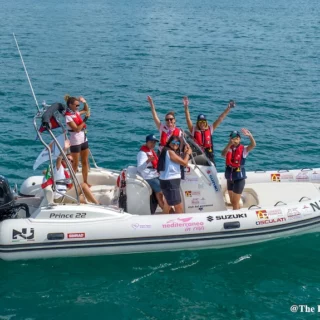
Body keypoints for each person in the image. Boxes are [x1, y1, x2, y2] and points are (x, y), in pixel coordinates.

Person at [183, 96, 234, 163]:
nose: (202, 124)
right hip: (198, 155)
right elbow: (188, 119)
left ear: (206, 122)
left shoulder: (210, 129)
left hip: (208, 155)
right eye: (200, 122)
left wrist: (228, 108)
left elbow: (220, 119)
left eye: (204, 122)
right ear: (197, 123)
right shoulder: (193, 130)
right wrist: (186, 106)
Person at [53, 140, 99, 204]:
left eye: (72, 161)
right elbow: (59, 159)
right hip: (59, 199)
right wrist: (65, 148)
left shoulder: (64, 171)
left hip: (64, 195)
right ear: (64, 159)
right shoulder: (59, 168)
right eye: (68, 159)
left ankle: (98, 205)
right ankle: (98, 205)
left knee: (85, 199)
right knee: (83, 185)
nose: (70, 161)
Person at [221, 128, 256, 210]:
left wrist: (250, 136)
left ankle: (236, 216)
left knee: (235, 202)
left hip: (239, 178)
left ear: (240, 139)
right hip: (230, 177)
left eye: (237, 138)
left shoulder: (244, 149)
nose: (235, 140)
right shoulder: (228, 148)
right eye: (233, 138)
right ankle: (237, 211)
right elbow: (223, 155)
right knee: (232, 201)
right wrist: (229, 144)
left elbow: (253, 145)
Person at [157, 135, 192, 214]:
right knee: (178, 206)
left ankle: (163, 222)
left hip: (168, 181)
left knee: (168, 204)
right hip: (170, 182)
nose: (175, 144)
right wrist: (188, 154)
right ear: (169, 142)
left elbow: (179, 160)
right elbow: (184, 163)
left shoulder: (168, 151)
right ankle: (181, 224)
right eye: (173, 142)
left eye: (177, 143)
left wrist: (185, 152)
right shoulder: (170, 152)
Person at [64, 94, 91, 186]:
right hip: (75, 141)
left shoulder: (75, 113)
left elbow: (86, 109)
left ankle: (85, 181)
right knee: (75, 164)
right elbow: (77, 129)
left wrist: (84, 102)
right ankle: (71, 182)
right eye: (76, 105)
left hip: (83, 139)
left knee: (84, 161)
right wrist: (85, 119)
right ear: (70, 105)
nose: (78, 107)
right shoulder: (68, 116)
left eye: (78, 105)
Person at [137, 134, 164, 210]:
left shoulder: (150, 151)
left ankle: (163, 205)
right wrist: (147, 161)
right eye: (151, 142)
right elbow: (139, 169)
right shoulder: (142, 153)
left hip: (154, 174)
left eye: (154, 142)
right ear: (147, 142)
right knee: (160, 191)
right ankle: (163, 207)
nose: (153, 144)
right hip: (148, 176)